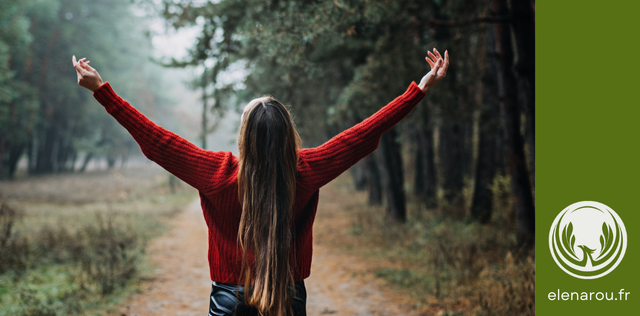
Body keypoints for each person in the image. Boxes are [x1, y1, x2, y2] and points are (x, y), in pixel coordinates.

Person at [72, 48, 449, 316]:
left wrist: (103, 91)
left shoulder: (217, 174)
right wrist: (418, 91)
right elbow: (361, 136)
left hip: (229, 299)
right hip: (288, 298)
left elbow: (157, 141)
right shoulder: (305, 170)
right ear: (288, 135)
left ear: (244, 136)